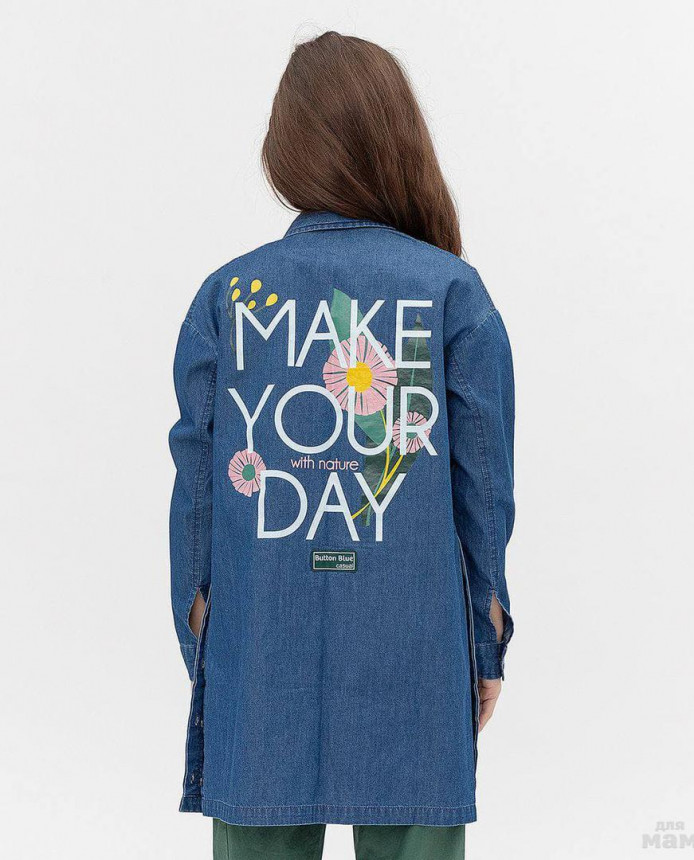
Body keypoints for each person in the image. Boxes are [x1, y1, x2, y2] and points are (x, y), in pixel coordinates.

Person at [169, 31, 515, 860]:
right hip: (416, 660)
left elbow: (198, 492)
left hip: (261, 656)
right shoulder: (451, 292)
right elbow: (483, 490)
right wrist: (485, 641)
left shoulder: (228, 297)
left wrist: (205, 643)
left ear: (285, 150)